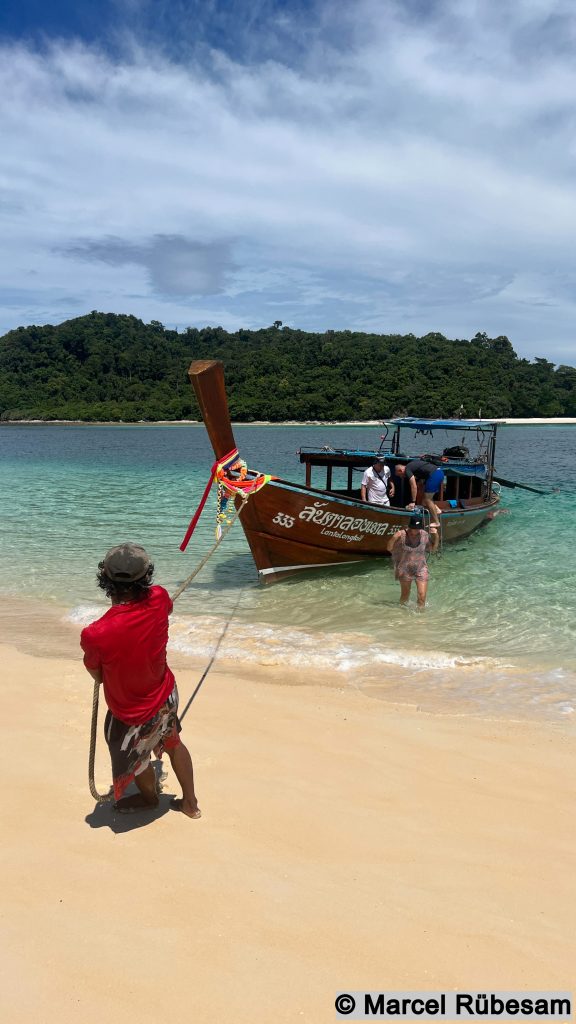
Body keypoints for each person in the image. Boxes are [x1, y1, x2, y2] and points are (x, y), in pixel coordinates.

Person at [80, 543, 200, 819]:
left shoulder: (95, 634)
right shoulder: (159, 597)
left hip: (130, 711)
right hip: (165, 694)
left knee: (138, 758)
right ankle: (190, 803)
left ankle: (148, 800)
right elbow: (164, 610)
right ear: (146, 577)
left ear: (105, 580)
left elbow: (97, 675)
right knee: (173, 742)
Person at [390, 514, 439, 609]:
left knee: (422, 596)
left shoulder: (424, 535)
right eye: (413, 528)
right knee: (405, 596)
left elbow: (432, 550)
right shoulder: (402, 534)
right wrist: (394, 537)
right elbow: (389, 548)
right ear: (409, 527)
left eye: (418, 528)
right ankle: (402, 616)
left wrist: (436, 536)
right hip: (404, 569)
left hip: (421, 568)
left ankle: (420, 620)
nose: (416, 531)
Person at [395, 460, 445, 526]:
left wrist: (413, 502)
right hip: (438, 473)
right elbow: (420, 482)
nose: (401, 477)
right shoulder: (412, 467)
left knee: (428, 499)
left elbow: (413, 486)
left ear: (400, 470)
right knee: (424, 501)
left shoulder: (407, 469)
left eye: (400, 475)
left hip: (435, 474)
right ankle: (436, 509)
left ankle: (437, 522)